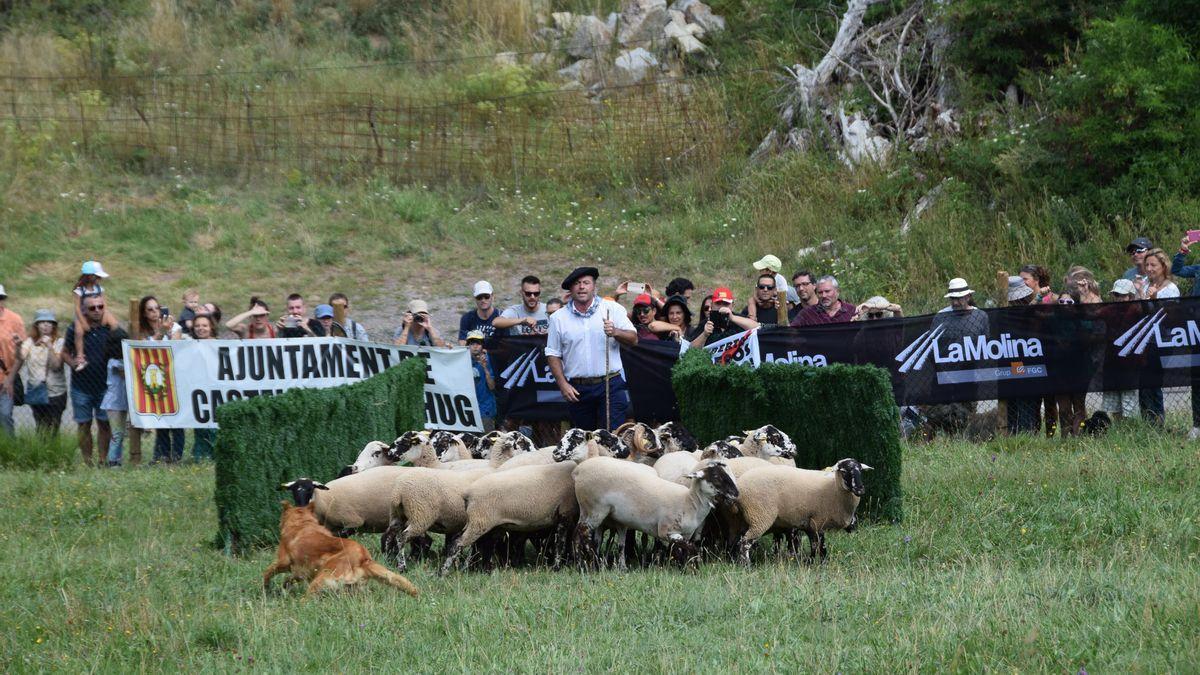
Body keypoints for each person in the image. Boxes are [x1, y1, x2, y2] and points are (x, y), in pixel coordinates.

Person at [545, 266, 638, 431]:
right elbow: (553, 354)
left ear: (594, 286)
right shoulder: (558, 318)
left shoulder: (612, 309)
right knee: (584, 440)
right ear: (571, 289)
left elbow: (633, 339)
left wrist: (616, 332)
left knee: (610, 437)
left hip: (610, 384)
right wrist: (562, 384)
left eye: (586, 283)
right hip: (577, 388)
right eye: (577, 283)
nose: (582, 287)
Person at [61, 294, 112, 466]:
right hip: (81, 387)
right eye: (92, 308)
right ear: (84, 310)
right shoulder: (74, 329)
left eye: (100, 307)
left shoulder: (109, 328)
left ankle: (103, 460)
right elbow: (64, 353)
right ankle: (88, 462)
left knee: (105, 424)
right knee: (84, 425)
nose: (97, 310)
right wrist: (73, 363)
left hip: (106, 386)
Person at [134, 296, 184, 463]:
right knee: (160, 418)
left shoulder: (174, 327)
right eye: (150, 309)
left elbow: (174, 348)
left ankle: (176, 456)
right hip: (153, 378)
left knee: (177, 419)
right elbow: (143, 349)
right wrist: (160, 333)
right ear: (144, 313)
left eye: (157, 308)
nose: (155, 312)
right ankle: (161, 455)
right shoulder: (141, 331)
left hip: (174, 378)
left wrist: (167, 332)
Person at [18, 310, 67, 435]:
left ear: (54, 326)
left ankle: (54, 452)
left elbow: (56, 366)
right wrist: (18, 346)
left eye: (49, 322)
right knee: (40, 426)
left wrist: (50, 346)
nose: (45, 325)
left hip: (56, 392)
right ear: (36, 325)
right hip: (37, 389)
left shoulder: (60, 342)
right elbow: (21, 358)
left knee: (54, 427)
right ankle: (40, 452)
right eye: (42, 322)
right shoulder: (29, 342)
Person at [69, 261, 119, 372]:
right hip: (83, 314)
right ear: (90, 276)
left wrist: (104, 315)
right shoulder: (79, 291)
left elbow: (104, 304)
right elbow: (77, 308)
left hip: (98, 312)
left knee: (114, 324)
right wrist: (83, 322)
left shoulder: (99, 289)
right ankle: (80, 357)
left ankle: (116, 349)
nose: (99, 279)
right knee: (79, 332)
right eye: (97, 276)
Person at [1101, 279, 1139, 424]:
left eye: (1123, 295)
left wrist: (1141, 293)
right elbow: (1092, 312)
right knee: (1113, 402)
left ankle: (1130, 430)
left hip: (1130, 363)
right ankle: (1120, 428)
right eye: (1116, 295)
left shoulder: (1136, 309)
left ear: (1131, 296)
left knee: (1129, 401)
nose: (1119, 298)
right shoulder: (1109, 309)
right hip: (1111, 362)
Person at [188, 314, 219, 460]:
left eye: (204, 325)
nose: (201, 328)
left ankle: (215, 454)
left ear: (211, 327)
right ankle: (200, 455)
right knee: (200, 425)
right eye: (197, 326)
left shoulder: (218, 344)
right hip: (197, 390)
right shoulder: (189, 345)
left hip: (215, 390)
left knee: (214, 426)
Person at [100, 328, 130, 466]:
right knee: (117, 433)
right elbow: (126, 374)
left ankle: (117, 459)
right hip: (113, 402)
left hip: (122, 401)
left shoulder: (122, 361)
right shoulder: (114, 362)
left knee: (120, 433)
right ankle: (112, 461)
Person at [0, 285, 25, 436]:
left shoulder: (14, 319)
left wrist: (10, 379)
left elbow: (21, 354)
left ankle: (10, 451)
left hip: (6, 378)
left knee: (4, 415)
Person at [790, 275, 856, 326]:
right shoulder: (807, 314)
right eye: (820, 292)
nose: (824, 295)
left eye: (827, 291)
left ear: (837, 291)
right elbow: (790, 333)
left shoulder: (851, 310)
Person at [466, 330, 497, 431]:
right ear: (468, 345)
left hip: (485, 409)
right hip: (467, 409)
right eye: (472, 343)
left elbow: (492, 386)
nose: (475, 346)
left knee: (486, 442)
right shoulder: (461, 359)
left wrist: (485, 368)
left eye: (478, 343)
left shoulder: (488, 360)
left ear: (482, 345)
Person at [458, 281, 500, 345]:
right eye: (479, 297)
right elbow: (462, 341)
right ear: (475, 299)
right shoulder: (467, 318)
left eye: (486, 296)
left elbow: (506, 343)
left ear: (493, 296)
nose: (483, 300)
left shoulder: (502, 316)